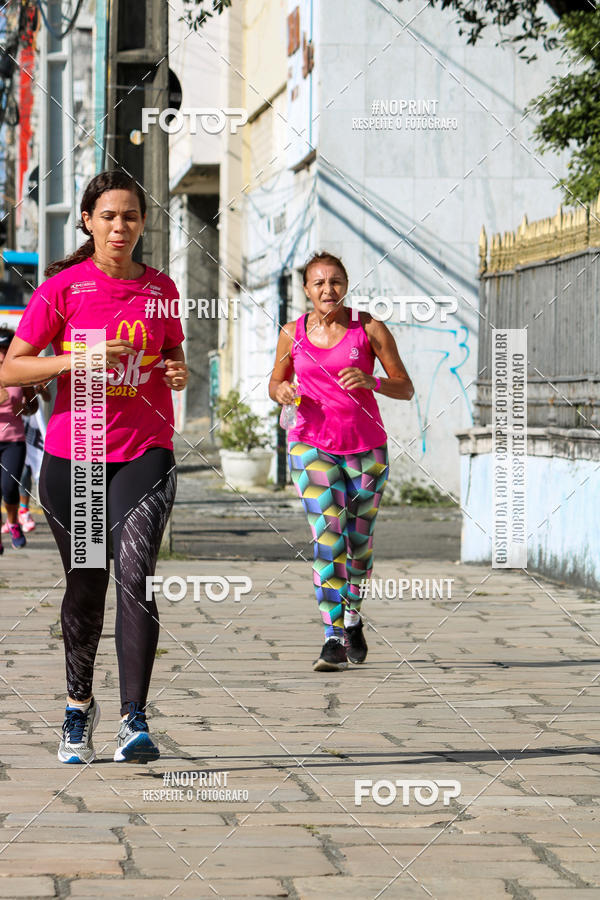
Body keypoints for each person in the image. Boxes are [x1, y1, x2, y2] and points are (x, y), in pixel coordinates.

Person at [0, 170, 188, 763]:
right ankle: (78, 707)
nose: (119, 226)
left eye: (130, 216)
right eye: (108, 216)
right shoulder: (62, 290)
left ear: (141, 223)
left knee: (136, 573)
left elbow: (171, 349)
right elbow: (11, 368)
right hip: (75, 456)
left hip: (145, 448)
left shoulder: (162, 290)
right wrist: (72, 358)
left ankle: (135, 719)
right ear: (88, 221)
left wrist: (177, 369)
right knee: (88, 583)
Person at [269, 252, 414, 672]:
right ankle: (331, 636)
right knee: (328, 535)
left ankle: (353, 619)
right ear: (306, 290)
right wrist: (280, 391)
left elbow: (405, 388)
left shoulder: (368, 328)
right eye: (318, 283)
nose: (327, 290)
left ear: (346, 284)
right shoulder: (292, 333)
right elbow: (276, 381)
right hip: (310, 445)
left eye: (335, 281)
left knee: (359, 542)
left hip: (366, 449)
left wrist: (374, 381)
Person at [0, 327, 38, 551]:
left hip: (14, 440)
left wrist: (26, 404)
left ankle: (13, 523)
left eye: (6, 349)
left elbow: (32, 407)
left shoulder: (19, 373)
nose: (3, 355)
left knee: (9, 487)